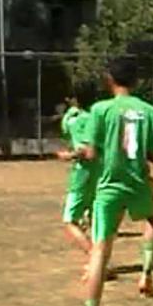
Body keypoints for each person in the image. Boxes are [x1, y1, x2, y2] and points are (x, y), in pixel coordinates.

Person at [75, 58, 153, 306]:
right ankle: (146, 273)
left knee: (101, 251)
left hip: (109, 187)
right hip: (138, 183)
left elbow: (90, 153)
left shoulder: (100, 110)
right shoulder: (150, 111)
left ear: (109, 80)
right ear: (136, 81)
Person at [56, 99, 99, 279]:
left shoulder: (76, 119)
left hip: (83, 175)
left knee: (70, 220)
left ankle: (96, 260)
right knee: (95, 220)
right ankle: (96, 261)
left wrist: (69, 155)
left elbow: (85, 150)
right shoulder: (97, 116)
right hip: (99, 172)